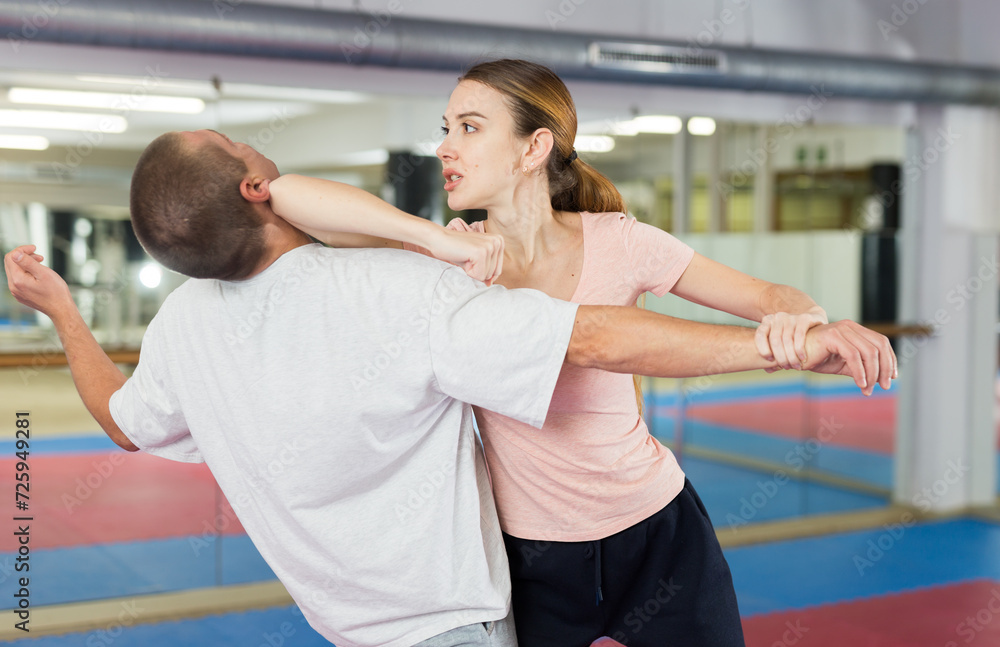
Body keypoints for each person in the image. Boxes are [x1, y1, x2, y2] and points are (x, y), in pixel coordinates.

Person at [5, 129, 893, 647]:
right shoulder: (395, 290)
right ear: (255, 186)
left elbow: (122, 422)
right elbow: (584, 334)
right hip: (456, 623)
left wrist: (60, 312)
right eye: (253, 161)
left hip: (345, 627)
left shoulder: (183, 331)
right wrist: (788, 348)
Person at [269, 59, 897, 647]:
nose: (445, 147)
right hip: (529, 558)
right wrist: (428, 236)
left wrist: (806, 325)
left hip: (658, 532)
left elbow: (770, 295)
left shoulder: (619, 242)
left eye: (469, 127)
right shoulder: (445, 258)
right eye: (446, 128)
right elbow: (285, 198)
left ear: (533, 148)